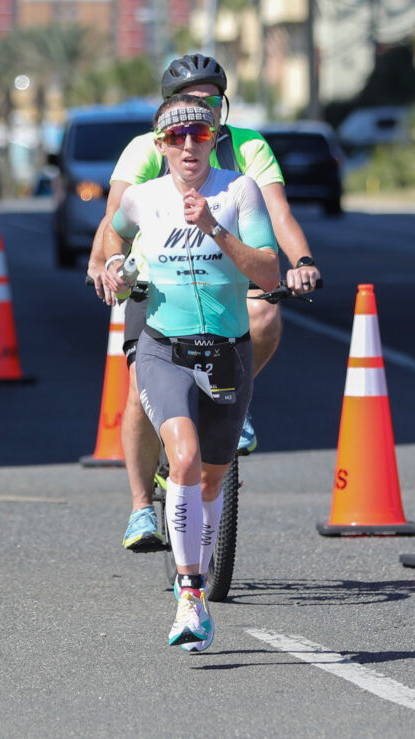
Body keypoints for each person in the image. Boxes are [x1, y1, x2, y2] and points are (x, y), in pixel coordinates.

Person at [87, 53, 322, 551]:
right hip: (156, 286)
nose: (199, 118)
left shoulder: (248, 148)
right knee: (138, 390)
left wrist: (300, 258)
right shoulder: (152, 145)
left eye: (212, 103)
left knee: (266, 313)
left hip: (226, 280)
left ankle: (232, 405)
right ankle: (138, 508)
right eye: (189, 105)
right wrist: (106, 266)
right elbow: (115, 221)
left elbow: (277, 212)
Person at [101, 94, 279, 650]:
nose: (187, 146)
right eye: (175, 138)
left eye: (198, 135)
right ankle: (190, 595)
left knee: (211, 478)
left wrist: (215, 230)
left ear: (213, 137)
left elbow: (270, 271)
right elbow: (110, 233)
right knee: (183, 457)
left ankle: (194, 585)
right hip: (163, 347)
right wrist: (109, 268)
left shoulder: (238, 191)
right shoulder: (142, 199)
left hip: (228, 349)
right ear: (160, 146)